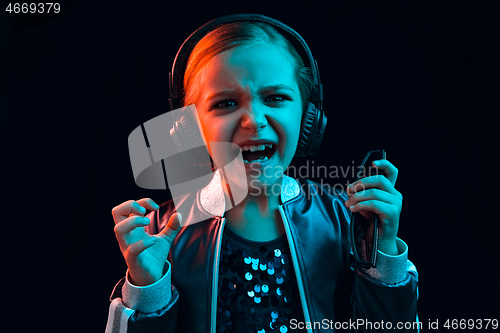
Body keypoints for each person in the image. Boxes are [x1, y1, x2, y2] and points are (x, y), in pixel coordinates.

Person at [105, 14, 419, 333]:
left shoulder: (343, 220)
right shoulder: (162, 233)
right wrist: (147, 289)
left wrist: (382, 255)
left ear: (309, 118)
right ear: (190, 131)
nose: (254, 120)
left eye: (275, 98)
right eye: (226, 103)